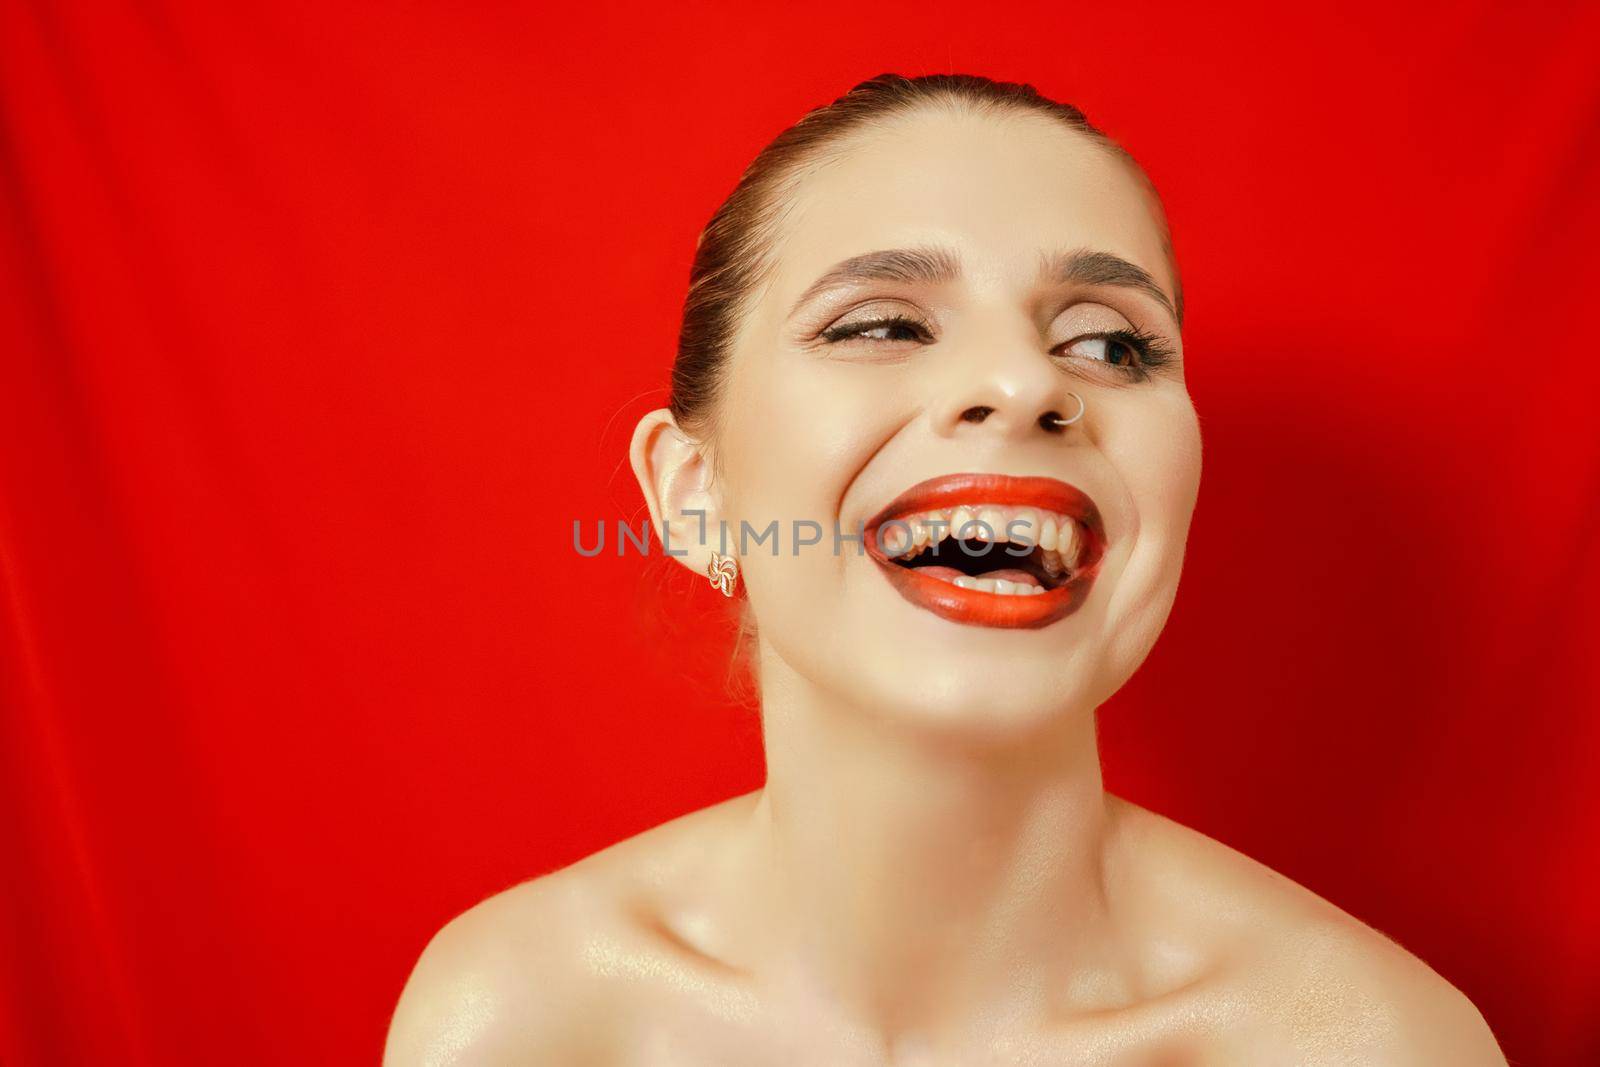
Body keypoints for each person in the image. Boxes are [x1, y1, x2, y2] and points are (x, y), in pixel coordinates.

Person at [384, 73, 1506, 1065]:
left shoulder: (1375, 1043)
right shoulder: (522, 1019)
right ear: (692, 495)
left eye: (1109, 343)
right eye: (880, 324)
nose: (1024, 382)